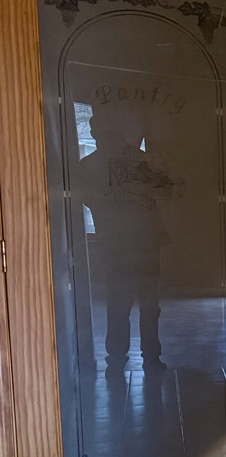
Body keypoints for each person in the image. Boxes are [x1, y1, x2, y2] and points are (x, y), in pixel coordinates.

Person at [77, 106, 175, 374]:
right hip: (136, 239)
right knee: (142, 301)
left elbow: (85, 197)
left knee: (121, 300)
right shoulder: (138, 160)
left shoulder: (91, 165)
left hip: (122, 240)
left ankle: (120, 356)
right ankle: (146, 356)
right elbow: (165, 189)